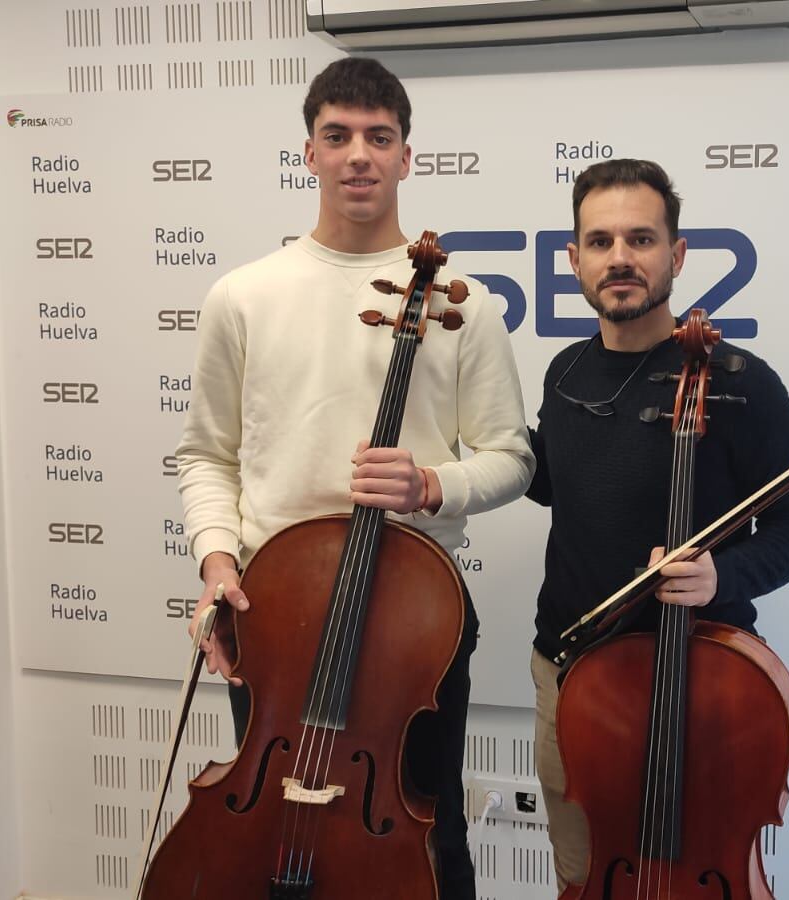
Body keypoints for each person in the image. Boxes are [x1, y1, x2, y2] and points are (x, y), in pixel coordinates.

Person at [173, 56, 534, 899]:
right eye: (338, 136)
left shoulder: (463, 303)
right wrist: (219, 562)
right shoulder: (244, 295)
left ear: (408, 156)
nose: (358, 155)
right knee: (273, 819)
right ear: (309, 153)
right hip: (278, 611)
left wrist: (432, 486)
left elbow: (511, 456)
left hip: (416, 613)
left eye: (379, 137)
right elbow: (207, 454)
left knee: (426, 828)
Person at [525, 158, 789, 892]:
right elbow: (556, 483)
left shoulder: (742, 382)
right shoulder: (565, 372)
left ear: (676, 254)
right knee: (583, 873)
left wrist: (723, 573)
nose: (620, 258)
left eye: (641, 239)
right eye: (599, 241)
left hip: (700, 684)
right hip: (570, 676)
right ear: (573, 260)